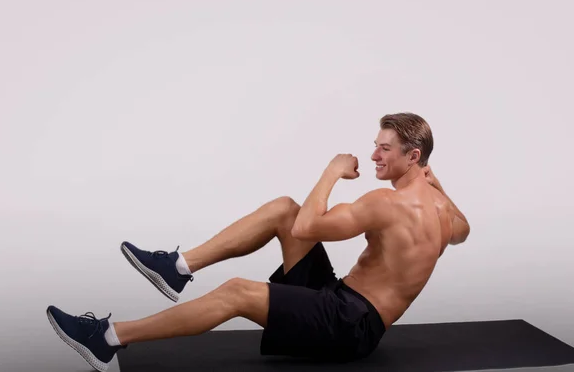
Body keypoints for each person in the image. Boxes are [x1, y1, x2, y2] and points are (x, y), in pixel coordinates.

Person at [46, 112, 470, 372]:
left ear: (414, 156)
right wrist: (437, 184)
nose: (375, 156)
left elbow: (308, 228)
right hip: (344, 302)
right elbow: (462, 232)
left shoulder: (385, 203)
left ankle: (108, 339)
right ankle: (176, 269)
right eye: (374, 146)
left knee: (237, 292)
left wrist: (332, 171)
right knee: (285, 208)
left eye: (386, 149)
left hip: (348, 326)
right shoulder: (443, 210)